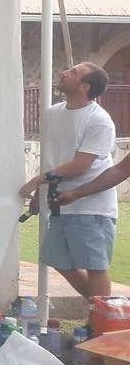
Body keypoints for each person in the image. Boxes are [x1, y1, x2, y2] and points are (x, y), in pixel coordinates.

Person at [18, 62, 116, 299]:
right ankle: (101, 308)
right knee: (57, 259)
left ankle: (100, 315)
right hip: (60, 204)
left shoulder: (99, 120)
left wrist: (37, 180)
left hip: (90, 206)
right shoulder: (52, 114)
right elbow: (52, 158)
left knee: (95, 267)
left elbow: (81, 164)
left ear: (84, 86)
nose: (63, 73)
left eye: (73, 73)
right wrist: (40, 195)